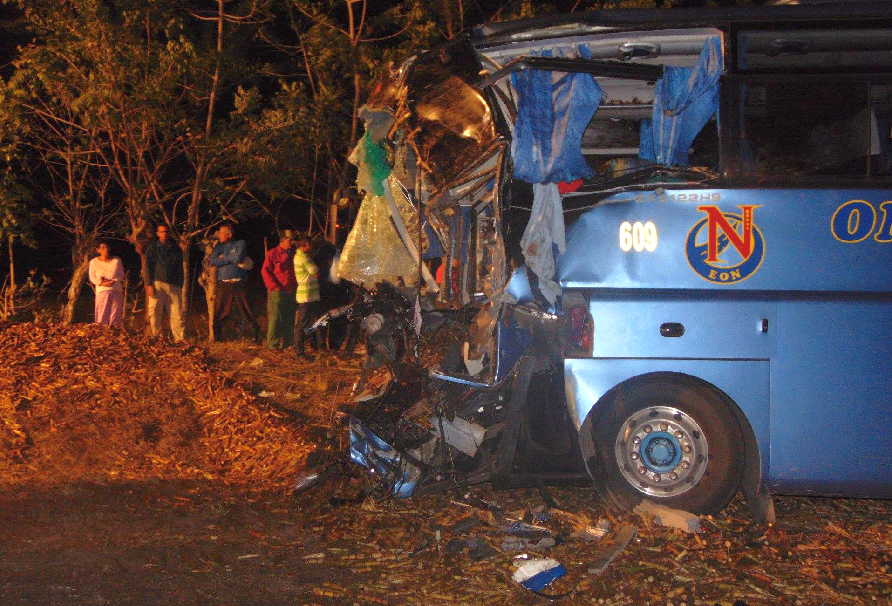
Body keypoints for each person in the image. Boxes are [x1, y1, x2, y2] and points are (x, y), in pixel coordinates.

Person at [210, 223, 260, 342]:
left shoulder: (240, 243)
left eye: (221, 233)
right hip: (224, 282)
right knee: (220, 311)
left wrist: (223, 258)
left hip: (239, 282)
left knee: (246, 309)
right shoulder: (218, 247)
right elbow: (213, 261)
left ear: (229, 234)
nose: (219, 235)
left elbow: (237, 258)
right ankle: (218, 338)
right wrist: (229, 257)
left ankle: (256, 336)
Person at [145, 223, 185, 342]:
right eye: (162, 232)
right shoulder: (152, 248)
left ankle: (179, 340)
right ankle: (156, 337)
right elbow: (148, 267)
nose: (164, 234)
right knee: (155, 311)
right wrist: (148, 284)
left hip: (174, 284)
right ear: (157, 234)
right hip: (158, 283)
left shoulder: (176, 248)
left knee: (177, 313)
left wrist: (180, 284)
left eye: (166, 231)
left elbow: (179, 267)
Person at [260, 229, 296, 350]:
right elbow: (265, 271)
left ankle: (288, 343)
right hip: (277, 290)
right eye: (290, 240)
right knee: (275, 317)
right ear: (283, 240)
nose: (292, 242)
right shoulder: (273, 253)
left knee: (289, 317)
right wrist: (273, 286)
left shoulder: (295, 253)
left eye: (292, 240)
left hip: (291, 289)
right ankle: (272, 344)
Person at [293, 234, 321, 359]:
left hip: (306, 294)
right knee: (303, 323)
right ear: (305, 245)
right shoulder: (305, 258)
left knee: (307, 322)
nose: (311, 247)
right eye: (309, 245)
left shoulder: (298, 256)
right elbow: (314, 270)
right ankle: (299, 351)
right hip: (307, 294)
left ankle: (305, 347)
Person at [88, 240, 125, 328]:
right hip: (102, 290)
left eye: (107, 247)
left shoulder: (116, 260)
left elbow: (121, 274)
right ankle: (101, 333)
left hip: (116, 289)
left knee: (115, 313)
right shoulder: (94, 262)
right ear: (98, 250)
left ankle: (114, 333)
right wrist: (102, 282)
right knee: (102, 313)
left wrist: (113, 281)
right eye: (103, 247)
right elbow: (92, 277)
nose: (106, 249)